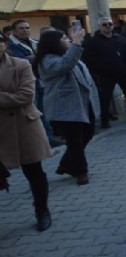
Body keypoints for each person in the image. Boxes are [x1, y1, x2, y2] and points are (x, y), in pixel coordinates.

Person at [0, 34, 53, 231]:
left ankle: (42, 211)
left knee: (34, 172)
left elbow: (26, 96)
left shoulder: (21, 65)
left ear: (4, 44)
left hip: (23, 125)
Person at [37, 28, 100, 186]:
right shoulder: (47, 60)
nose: (68, 40)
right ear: (54, 43)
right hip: (65, 107)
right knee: (75, 141)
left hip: (83, 104)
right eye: (64, 38)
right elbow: (64, 66)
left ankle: (66, 163)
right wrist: (77, 43)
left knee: (88, 133)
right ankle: (81, 171)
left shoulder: (67, 55)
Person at [82, 16, 126, 128]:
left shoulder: (120, 38)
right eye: (104, 24)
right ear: (99, 26)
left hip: (122, 72)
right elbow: (89, 57)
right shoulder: (93, 41)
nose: (108, 26)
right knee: (105, 98)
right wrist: (99, 68)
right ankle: (105, 120)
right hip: (105, 74)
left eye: (110, 24)